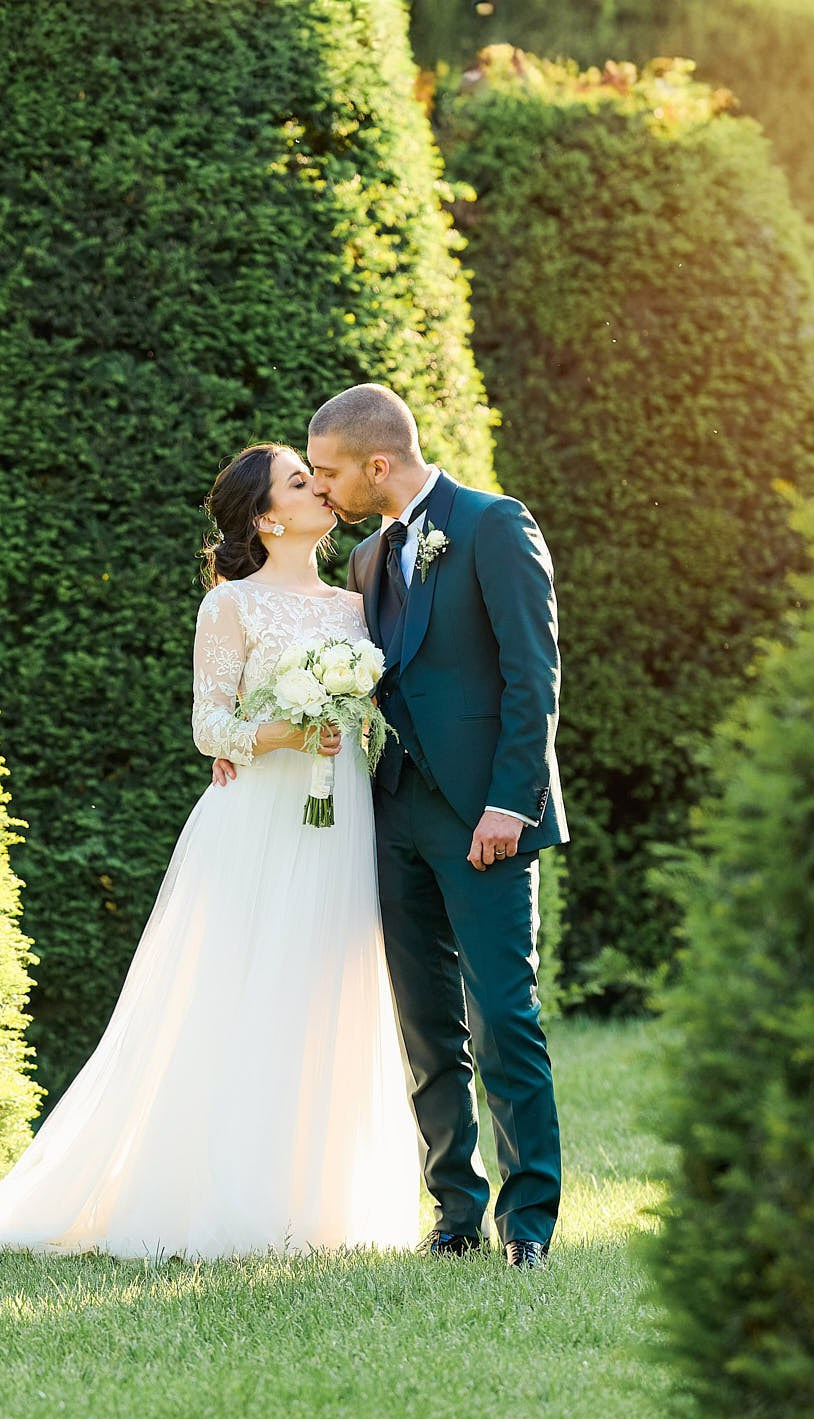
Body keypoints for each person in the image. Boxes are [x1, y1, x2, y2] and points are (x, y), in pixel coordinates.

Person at [0, 443, 421, 1260]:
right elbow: (208, 726)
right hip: (256, 820)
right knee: (239, 992)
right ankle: (223, 1199)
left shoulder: (356, 606)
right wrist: (286, 733)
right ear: (267, 519)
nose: (321, 489)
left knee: (327, 985)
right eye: (300, 482)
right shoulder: (231, 607)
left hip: (340, 816)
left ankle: (322, 1205)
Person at [224, 383, 567, 1269]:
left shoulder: (494, 524)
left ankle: (528, 1225)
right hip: (391, 810)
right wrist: (255, 737)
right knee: (426, 1027)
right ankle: (456, 1212)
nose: (321, 488)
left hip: (486, 816)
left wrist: (510, 802)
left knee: (505, 1016)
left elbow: (534, 675)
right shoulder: (367, 560)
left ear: (378, 465)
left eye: (328, 472)